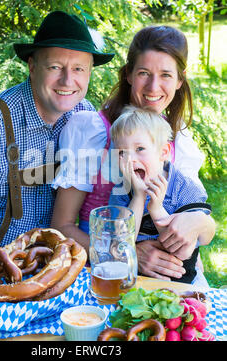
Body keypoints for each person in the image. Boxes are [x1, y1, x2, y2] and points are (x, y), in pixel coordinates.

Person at [0, 11, 114, 247]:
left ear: (90, 72)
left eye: (79, 69)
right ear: (32, 66)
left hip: (52, 268)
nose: (68, 81)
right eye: (55, 67)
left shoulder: (83, 117)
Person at [51, 25, 216, 281]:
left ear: (180, 80)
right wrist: (128, 255)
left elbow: (201, 221)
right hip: (100, 268)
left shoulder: (177, 138)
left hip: (172, 274)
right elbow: (62, 227)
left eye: (166, 75)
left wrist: (201, 223)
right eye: (143, 73)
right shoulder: (92, 130)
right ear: (128, 74)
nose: (153, 86)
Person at [108, 106, 212, 285]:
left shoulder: (184, 188)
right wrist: (139, 198)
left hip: (184, 281)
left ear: (163, 153)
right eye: (122, 153)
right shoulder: (122, 191)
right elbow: (120, 246)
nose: (130, 159)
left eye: (140, 148)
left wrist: (156, 209)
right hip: (137, 278)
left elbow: (182, 251)